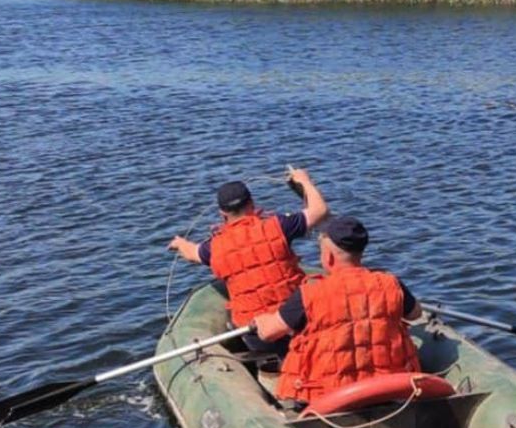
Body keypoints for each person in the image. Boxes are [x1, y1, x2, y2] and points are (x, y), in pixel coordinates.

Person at [253, 215, 422, 403]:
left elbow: (269, 333)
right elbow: (416, 314)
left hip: (327, 397)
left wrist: (261, 321)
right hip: (386, 389)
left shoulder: (310, 292)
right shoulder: (390, 283)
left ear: (329, 257)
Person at [168, 169, 328, 353]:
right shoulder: (280, 226)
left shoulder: (213, 247)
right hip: (296, 321)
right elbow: (319, 210)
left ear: (223, 214)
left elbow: (191, 253)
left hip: (257, 336)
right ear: (251, 203)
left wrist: (179, 243)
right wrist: (304, 181)